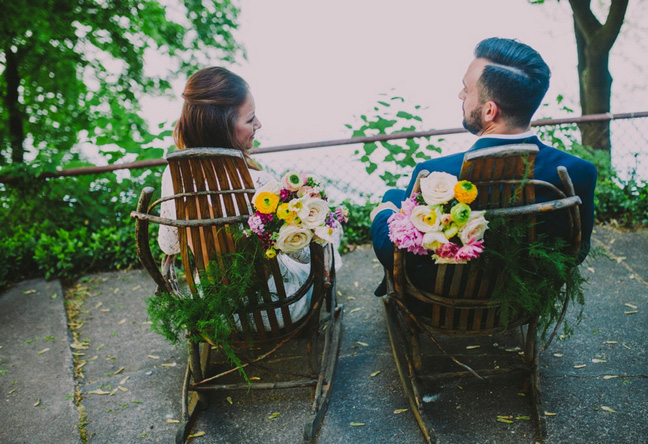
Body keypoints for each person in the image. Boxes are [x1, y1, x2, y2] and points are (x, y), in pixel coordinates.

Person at [370, 37, 597, 296]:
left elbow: (399, 256)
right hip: (525, 296)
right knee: (396, 196)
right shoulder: (581, 172)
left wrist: (382, 214)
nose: (461, 95)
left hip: (446, 296)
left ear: (490, 111)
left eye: (466, 89)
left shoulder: (433, 175)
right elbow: (576, 251)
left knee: (389, 200)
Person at [158, 67, 341, 329]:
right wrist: (312, 225)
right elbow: (301, 255)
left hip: (215, 312)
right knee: (330, 233)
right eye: (250, 119)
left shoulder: (173, 176)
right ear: (220, 126)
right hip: (276, 310)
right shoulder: (259, 184)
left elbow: (170, 246)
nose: (259, 125)